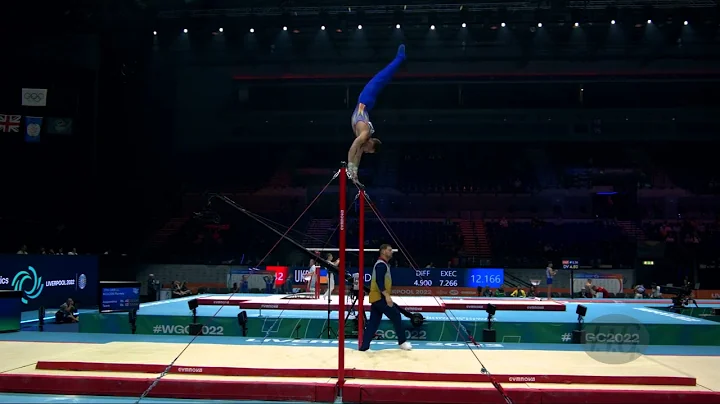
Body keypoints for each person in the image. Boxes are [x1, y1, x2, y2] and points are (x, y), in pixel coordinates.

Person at [347, 44, 406, 181]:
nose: (366, 151)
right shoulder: (365, 134)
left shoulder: (363, 142)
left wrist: (354, 174)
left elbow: (357, 155)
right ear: (372, 143)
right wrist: (350, 167)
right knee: (382, 77)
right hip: (365, 100)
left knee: (384, 80)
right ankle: (400, 58)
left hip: (366, 105)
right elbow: (353, 148)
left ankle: (399, 60)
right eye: (369, 150)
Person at [359, 244, 412, 351]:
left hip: (376, 297)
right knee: (396, 315)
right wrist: (387, 296)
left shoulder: (383, 265)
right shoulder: (381, 265)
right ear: (383, 251)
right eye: (389, 250)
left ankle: (364, 347)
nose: (391, 252)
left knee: (373, 322)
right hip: (380, 297)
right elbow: (379, 281)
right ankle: (402, 342)